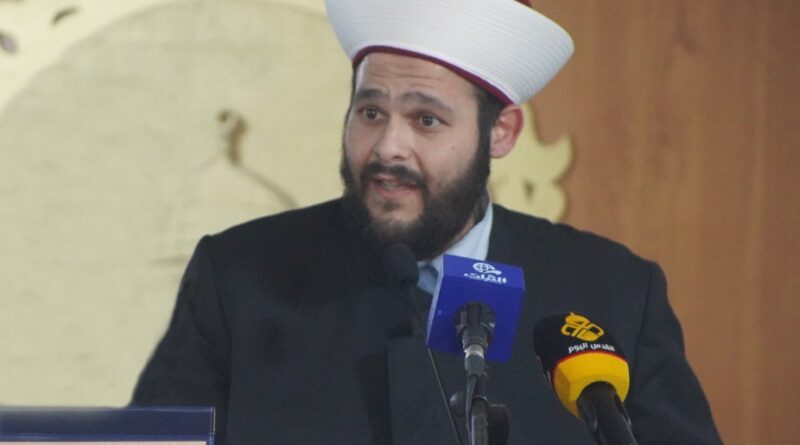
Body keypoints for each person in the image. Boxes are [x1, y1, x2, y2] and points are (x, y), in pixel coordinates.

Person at [131, 0, 722, 444]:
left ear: (501, 132)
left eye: (426, 120)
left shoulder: (613, 292)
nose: (388, 147)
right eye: (370, 111)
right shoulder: (239, 277)